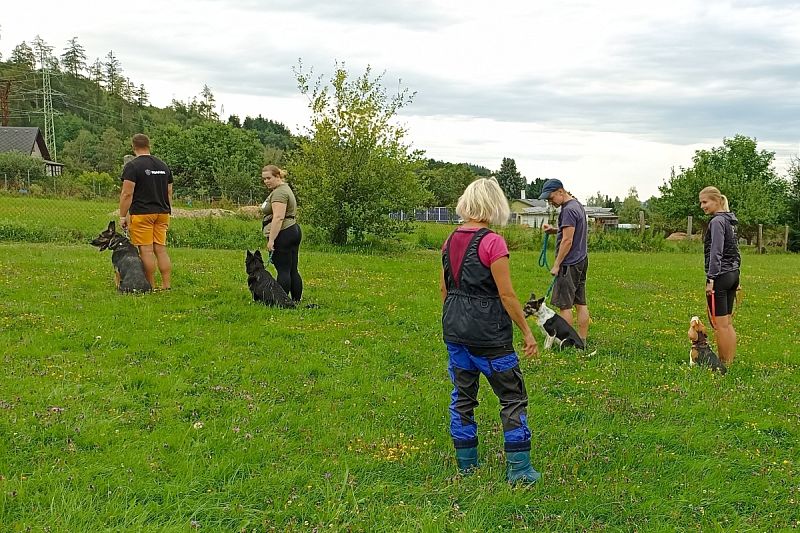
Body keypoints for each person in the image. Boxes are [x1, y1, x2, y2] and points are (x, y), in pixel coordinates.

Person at [440, 177, 541, 484]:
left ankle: (466, 465)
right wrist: (526, 331)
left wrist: (452, 322)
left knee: (463, 397)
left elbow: (445, 288)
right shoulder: (493, 242)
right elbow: (507, 295)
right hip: (490, 337)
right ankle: (520, 470)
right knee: (512, 397)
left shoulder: (449, 240)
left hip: (455, 329)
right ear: (495, 204)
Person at [119, 134, 172, 290]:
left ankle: (150, 285)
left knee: (146, 251)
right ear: (149, 145)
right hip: (162, 213)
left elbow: (127, 194)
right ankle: (166, 285)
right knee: (161, 250)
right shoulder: (163, 166)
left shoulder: (132, 166)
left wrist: (123, 215)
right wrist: (167, 210)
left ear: (133, 147)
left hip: (142, 214)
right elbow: (169, 192)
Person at [539, 178, 590, 342]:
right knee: (580, 302)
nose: (550, 202)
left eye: (551, 198)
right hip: (581, 259)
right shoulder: (577, 205)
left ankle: (566, 342)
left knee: (565, 305)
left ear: (560, 192)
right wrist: (554, 230)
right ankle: (581, 339)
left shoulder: (567, 210)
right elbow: (570, 232)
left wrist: (556, 264)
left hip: (569, 263)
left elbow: (567, 241)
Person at [699, 186, 740, 364]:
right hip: (732, 274)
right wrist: (737, 277)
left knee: (720, 326)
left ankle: (723, 364)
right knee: (727, 323)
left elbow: (716, 251)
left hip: (721, 276)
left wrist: (711, 278)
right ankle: (729, 362)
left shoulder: (717, 222)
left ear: (717, 201)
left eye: (705, 202)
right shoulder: (730, 221)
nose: (702, 206)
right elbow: (736, 252)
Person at [261, 165, 303, 302]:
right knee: (292, 269)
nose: (266, 181)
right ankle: (296, 300)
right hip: (292, 230)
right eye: (264, 179)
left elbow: (278, 217)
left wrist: (271, 240)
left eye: (269, 178)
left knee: (283, 270)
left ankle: (282, 301)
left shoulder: (279, 193)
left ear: (278, 176)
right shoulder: (284, 189)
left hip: (283, 232)